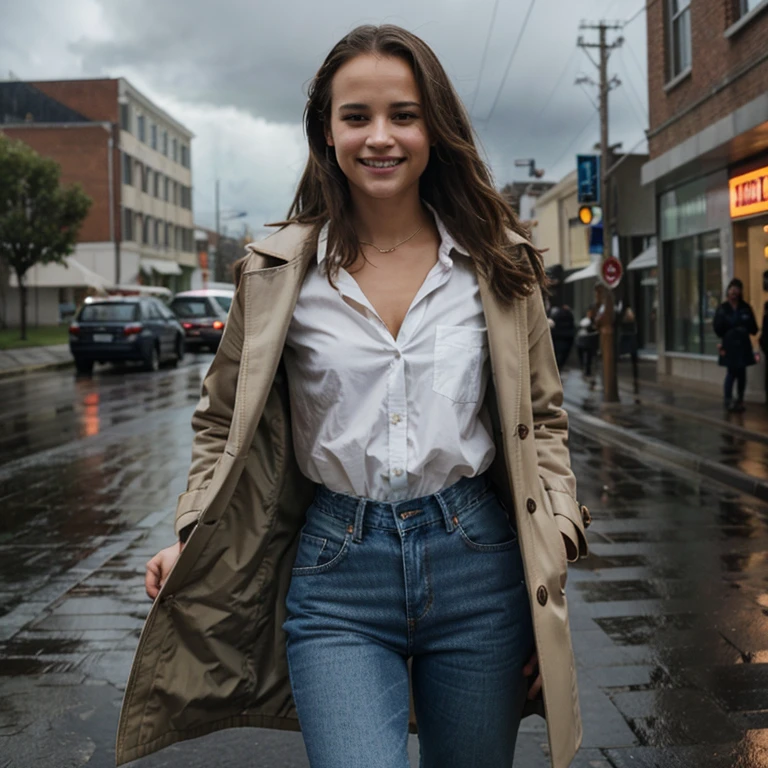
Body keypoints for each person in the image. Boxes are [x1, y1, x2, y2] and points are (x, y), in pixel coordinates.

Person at [116, 25, 589, 768]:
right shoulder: (275, 273)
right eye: (356, 116)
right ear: (326, 132)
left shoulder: (500, 263)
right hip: (336, 573)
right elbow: (219, 424)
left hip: (478, 564)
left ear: (435, 127)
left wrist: (551, 547)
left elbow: (546, 419)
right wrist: (192, 535)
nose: (381, 137)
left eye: (403, 114)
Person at [713, 278, 758, 412]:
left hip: (743, 344)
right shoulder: (723, 308)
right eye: (731, 290)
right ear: (728, 292)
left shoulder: (745, 308)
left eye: (736, 290)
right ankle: (728, 400)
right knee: (731, 372)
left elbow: (753, 328)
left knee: (742, 374)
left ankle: (740, 400)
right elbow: (717, 328)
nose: (734, 293)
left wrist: (745, 328)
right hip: (730, 344)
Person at [549, 303, 576, 371]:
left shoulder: (558, 315)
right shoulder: (569, 315)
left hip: (558, 337)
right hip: (566, 338)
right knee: (562, 356)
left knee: (558, 355)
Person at [576, 306, 599, 378]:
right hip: (582, 339)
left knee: (589, 357)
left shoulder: (594, 320)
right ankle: (583, 368)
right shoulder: (585, 320)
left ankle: (588, 371)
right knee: (582, 355)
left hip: (590, 341)